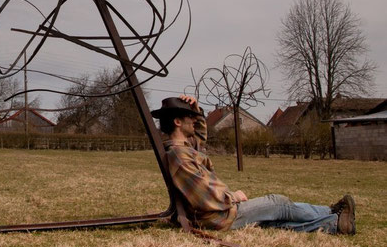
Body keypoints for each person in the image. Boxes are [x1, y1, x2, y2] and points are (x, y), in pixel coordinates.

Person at [151, 95, 356, 235]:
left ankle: (334, 222)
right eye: (189, 117)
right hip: (216, 216)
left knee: (276, 223)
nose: (194, 121)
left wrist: (195, 109)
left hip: (216, 213)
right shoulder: (180, 156)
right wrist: (233, 197)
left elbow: (200, 135)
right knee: (278, 203)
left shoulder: (184, 148)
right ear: (177, 122)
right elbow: (204, 197)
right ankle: (328, 212)